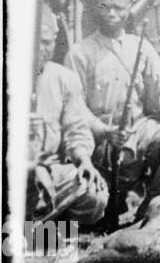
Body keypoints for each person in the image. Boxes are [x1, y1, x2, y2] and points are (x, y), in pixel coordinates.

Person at [66, 0, 160, 210]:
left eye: (119, 8)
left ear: (129, 10)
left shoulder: (141, 46)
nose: (112, 13)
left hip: (138, 129)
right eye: (105, 7)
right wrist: (103, 131)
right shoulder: (79, 52)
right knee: (103, 207)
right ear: (95, 8)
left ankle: (152, 206)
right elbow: (74, 107)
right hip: (99, 137)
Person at [29, 13, 108, 225]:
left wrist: (84, 160)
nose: (43, 49)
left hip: (50, 169)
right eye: (37, 42)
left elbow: (77, 129)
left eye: (48, 42)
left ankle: (45, 232)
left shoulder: (64, 78)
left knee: (93, 190)